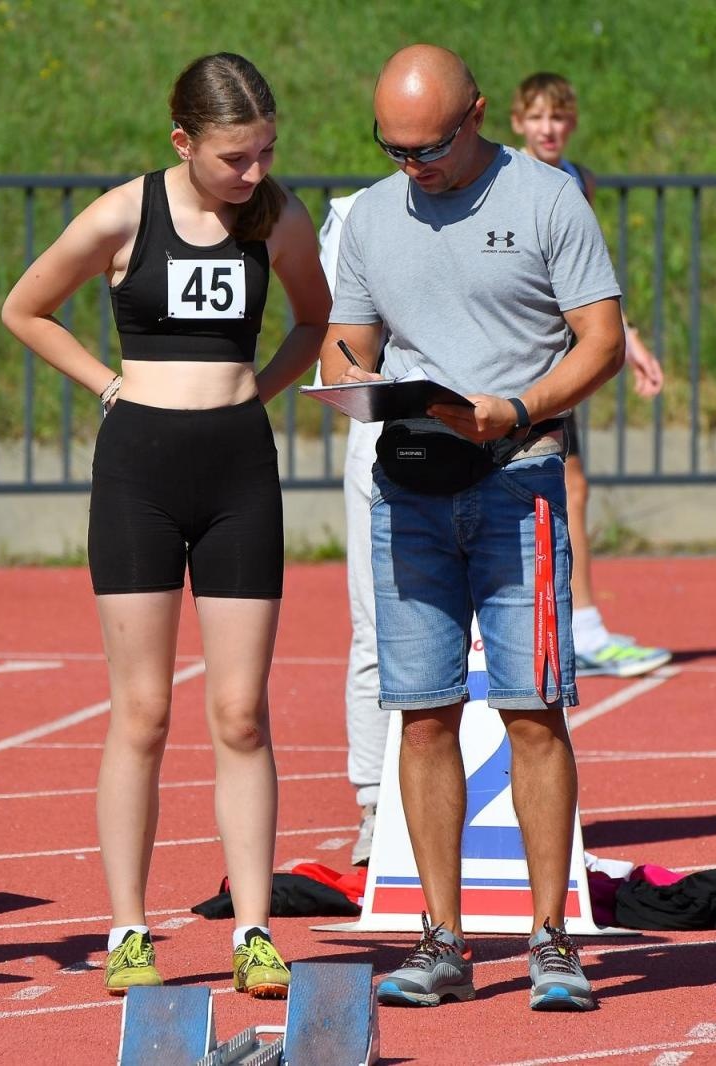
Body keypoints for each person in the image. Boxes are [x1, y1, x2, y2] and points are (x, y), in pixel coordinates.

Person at [1, 52, 331, 999]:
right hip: (138, 471)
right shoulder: (121, 215)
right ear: (182, 142)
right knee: (141, 712)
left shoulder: (279, 217)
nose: (254, 172)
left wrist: (257, 392)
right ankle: (128, 928)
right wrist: (108, 385)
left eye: (266, 152)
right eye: (235, 157)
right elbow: (26, 308)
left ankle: (254, 930)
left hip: (238, 473)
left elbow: (314, 320)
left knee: (241, 713)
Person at [320, 44, 625, 1011]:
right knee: (422, 714)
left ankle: (551, 940)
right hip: (409, 491)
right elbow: (346, 342)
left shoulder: (547, 198)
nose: (414, 165)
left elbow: (603, 341)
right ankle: (441, 939)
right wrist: (352, 378)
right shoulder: (372, 215)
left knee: (533, 711)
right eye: (395, 148)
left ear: (478, 115)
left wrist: (520, 407)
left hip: (518, 480)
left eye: (431, 147)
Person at [510, 72, 671, 679]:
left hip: (563, 358)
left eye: (558, 116)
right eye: (537, 117)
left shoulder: (579, 180)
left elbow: (586, 279)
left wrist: (630, 343)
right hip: (521, 358)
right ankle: (570, 629)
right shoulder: (507, 179)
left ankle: (572, 626)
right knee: (553, 487)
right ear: (518, 122)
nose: (548, 128)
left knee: (566, 487)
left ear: (572, 123)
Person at [314, 189, 384, 866]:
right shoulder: (360, 213)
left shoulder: (520, 200)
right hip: (388, 441)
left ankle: (507, 803)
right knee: (378, 627)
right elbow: (338, 358)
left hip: (493, 438)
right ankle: (376, 803)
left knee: (499, 637)